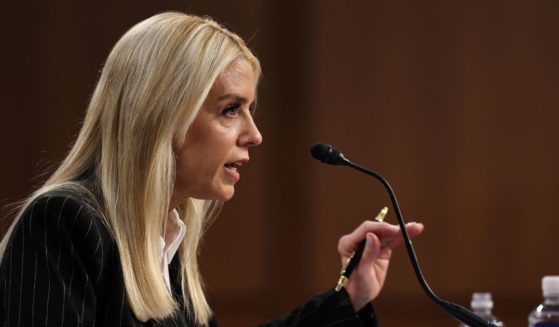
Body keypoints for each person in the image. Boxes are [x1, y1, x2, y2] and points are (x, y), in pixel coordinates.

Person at [0, 12, 423, 327]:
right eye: (230, 110)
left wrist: (349, 297)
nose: (255, 135)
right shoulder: (65, 223)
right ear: (163, 114)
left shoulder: (164, 238)